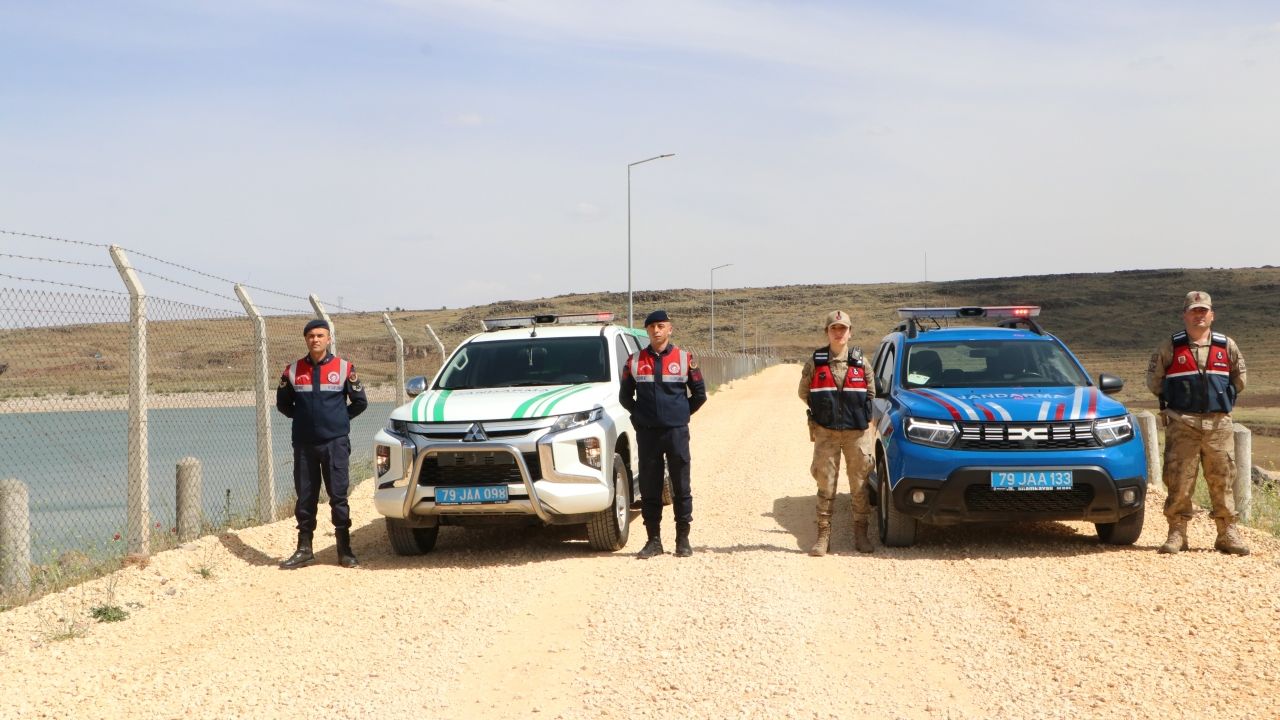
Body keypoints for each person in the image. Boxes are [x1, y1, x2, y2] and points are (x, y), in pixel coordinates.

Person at [1146, 291, 1249, 556]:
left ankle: (1226, 533)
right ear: (1185, 315)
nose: (1199, 315)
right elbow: (1154, 382)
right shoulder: (1171, 346)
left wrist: (1220, 401)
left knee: (1222, 479)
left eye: (1204, 311)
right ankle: (1177, 533)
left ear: (1212, 315)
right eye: (1194, 311)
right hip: (1183, 422)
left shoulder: (1226, 345)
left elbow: (1239, 379)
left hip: (1218, 425)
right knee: (1179, 479)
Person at [276, 319, 368, 568]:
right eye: (310, 336)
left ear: (328, 339)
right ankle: (304, 549)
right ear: (305, 339)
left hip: (335, 444)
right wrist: (306, 419)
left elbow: (360, 402)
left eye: (320, 335)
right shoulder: (292, 371)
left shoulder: (345, 367)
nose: (315, 339)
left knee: (338, 496)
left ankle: (344, 549)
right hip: (304, 445)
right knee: (305, 496)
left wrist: (338, 421)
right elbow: (283, 404)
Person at [619, 309, 707, 559]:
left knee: (681, 486)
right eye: (651, 327)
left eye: (661, 326)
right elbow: (625, 397)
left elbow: (700, 394)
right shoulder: (634, 361)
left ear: (670, 329)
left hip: (676, 433)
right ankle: (653, 540)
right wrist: (639, 418)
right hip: (648, 435)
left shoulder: (684, 358)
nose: (656, 330)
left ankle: (682, 540)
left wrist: (680, 416)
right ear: (646, 331)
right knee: (650, 487)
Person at [798, 310, 876, 556]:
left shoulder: (861, 362)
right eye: (834, 328)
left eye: (843, 328)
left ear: (850, 332)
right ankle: (823, 537)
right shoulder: (816, 362)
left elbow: (871, 394)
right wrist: (824, 411)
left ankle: (861, 534)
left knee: (860, 485)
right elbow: (804, 392)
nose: (839, 332)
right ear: (827, 332)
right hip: (827, 433)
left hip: (856, 434)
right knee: (826, 485)